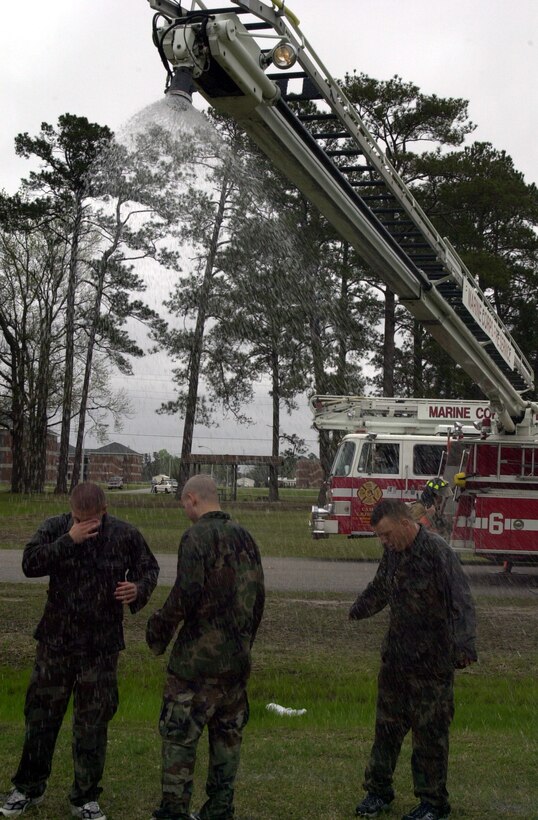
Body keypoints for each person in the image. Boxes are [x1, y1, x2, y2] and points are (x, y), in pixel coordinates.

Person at [0, 482, 159, 820]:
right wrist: (67, 540)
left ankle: (85, 796)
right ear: (70, 511)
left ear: (104, 511)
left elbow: (149, 568)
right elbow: (30, 563)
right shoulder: (56, 528)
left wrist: (138, 588)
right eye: (78, 518)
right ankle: (29, 787)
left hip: (100, 647)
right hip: (56, 642)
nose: (85, 525)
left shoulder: (124, 534)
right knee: (40, 716)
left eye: (91, 520)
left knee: (92, 723)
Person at [146, 474, 265, 820]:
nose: (184, 508)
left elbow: (185, 594)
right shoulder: (246, 538)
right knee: (227, 741)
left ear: (193, 499)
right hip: (235, 664)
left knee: (179, 738)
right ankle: (219, 809)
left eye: (184, 503)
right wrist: (244, 643)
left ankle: (173, 811)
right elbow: (258, 599)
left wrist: (158, 631)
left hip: (196, 666)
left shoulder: (195, 537)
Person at [351, 499, 477, 820]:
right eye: (380, 536)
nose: (384, 541)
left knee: (430, 734)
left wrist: (464, 647)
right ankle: (377, 792)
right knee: (387, 729)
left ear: (406, 525)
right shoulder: (393, 553)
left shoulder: (437, 552)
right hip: (396, 659)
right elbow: (381, 588)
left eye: (387, 534)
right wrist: (358, 609)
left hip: (432, 662)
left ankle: (433, 803)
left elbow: (461, 600)